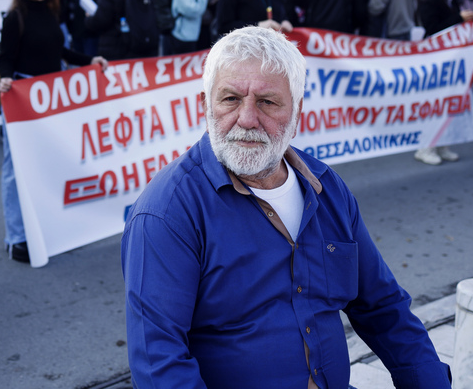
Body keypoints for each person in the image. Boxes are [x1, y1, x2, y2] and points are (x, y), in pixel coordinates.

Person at [122, 26, 451, 389]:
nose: (247, 119)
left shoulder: (327, 190)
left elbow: (384, 307)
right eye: (230, 99)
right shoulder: (167, 214)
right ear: (205, 105)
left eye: (267, 102)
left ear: (297, 114)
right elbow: (159, 366)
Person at [0, 0, 107, 262]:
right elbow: (4, 57)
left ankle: (44, 227)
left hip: (51, 100)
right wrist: (5, 77)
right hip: (21, 96)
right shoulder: (14, 18)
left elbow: (59, 53)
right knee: (15, 169)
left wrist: (89, 61)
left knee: (46, 164)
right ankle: (16, 237)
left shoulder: (51, 14)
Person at [414, 0, 473, 165]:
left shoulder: (452, 2)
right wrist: (459, 18)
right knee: (434, 104)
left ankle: (442, 144)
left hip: (450, 60)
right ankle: (426, 147)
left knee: (447, 103)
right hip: (433, 60)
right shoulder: (429, 3)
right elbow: (433, 29)